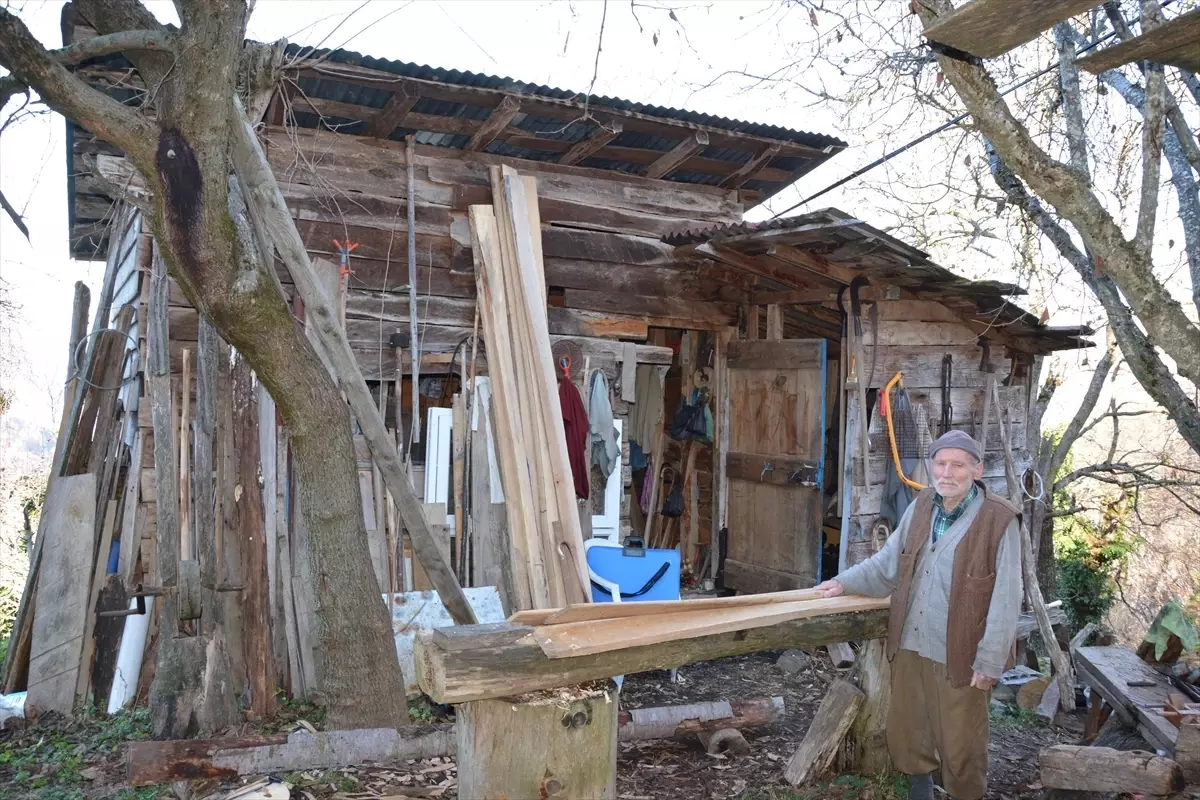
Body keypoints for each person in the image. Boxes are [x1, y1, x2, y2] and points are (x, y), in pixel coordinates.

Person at [815, 430, 1022, 800]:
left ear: (977, 470)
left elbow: (1007, 598)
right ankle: (920, 792)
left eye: (957, 465)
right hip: (911, 643)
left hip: (962, 654)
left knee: (962, 742)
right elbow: (887, 565)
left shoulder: (999, 520)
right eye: (940, 463)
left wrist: (990, 661)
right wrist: (843, 582)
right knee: (910, 730)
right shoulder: (922, 505)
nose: (947, 472)